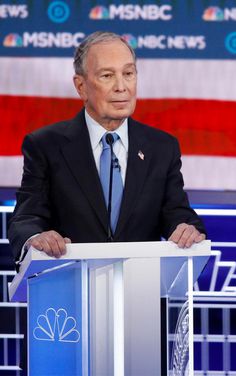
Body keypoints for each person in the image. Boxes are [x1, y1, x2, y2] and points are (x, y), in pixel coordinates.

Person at [8, 31, 206, 267]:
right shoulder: (45, 145)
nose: (121, 87)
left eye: (128, 73)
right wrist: (35, 238)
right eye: (107, 76)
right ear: (81, 86)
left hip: (140, 292)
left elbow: (177, 213)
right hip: (69, 288)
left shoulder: (162, 147)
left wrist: (186, 229)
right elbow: (27, 218)